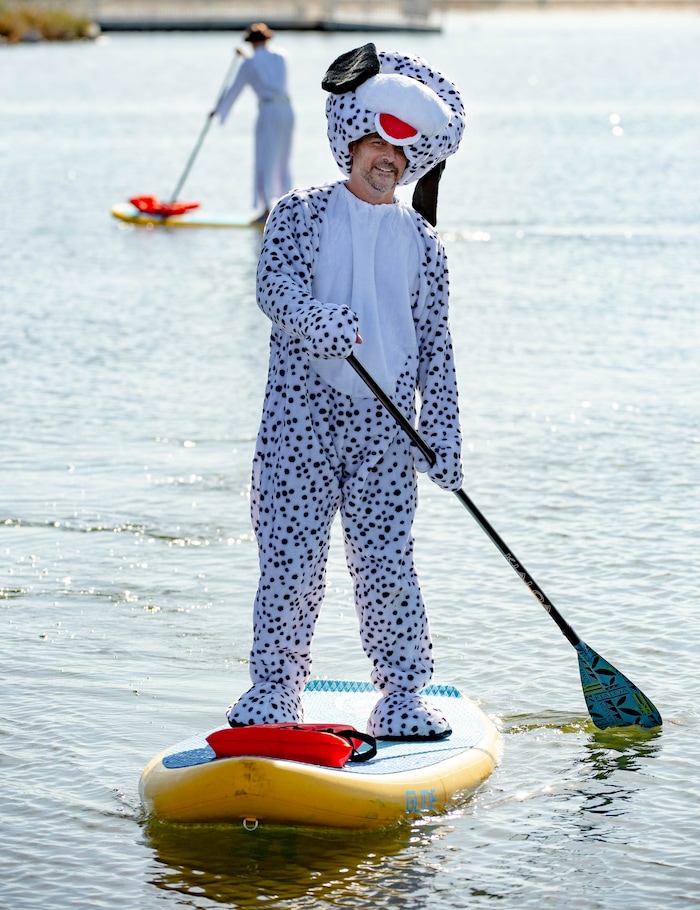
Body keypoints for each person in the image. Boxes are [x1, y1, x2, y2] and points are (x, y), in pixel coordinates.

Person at [227, 43, 466, 740]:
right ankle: (275, 689)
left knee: (388, 566)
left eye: (402, 148)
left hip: (387, 430)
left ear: (414, 158)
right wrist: (312, 318)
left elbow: (437, 349)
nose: (387, 156)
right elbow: (274, 289)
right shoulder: (297, 212)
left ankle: (401, 696)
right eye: (376, 141)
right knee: (292, 563)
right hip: (300, 421)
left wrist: (444, 431)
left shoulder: (424, 243)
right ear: (350, 139)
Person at [214, 22, 294, 223]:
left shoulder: (249, 64)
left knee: (265, 158)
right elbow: (266, 67)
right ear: (266, 40)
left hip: (268, 110)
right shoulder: (280, 56)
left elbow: (235, 90)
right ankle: (286, 205)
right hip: (287, 110)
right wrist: (247, 60)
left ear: (250, 42)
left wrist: (218, 110)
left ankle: (267, 209)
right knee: (284, 158)